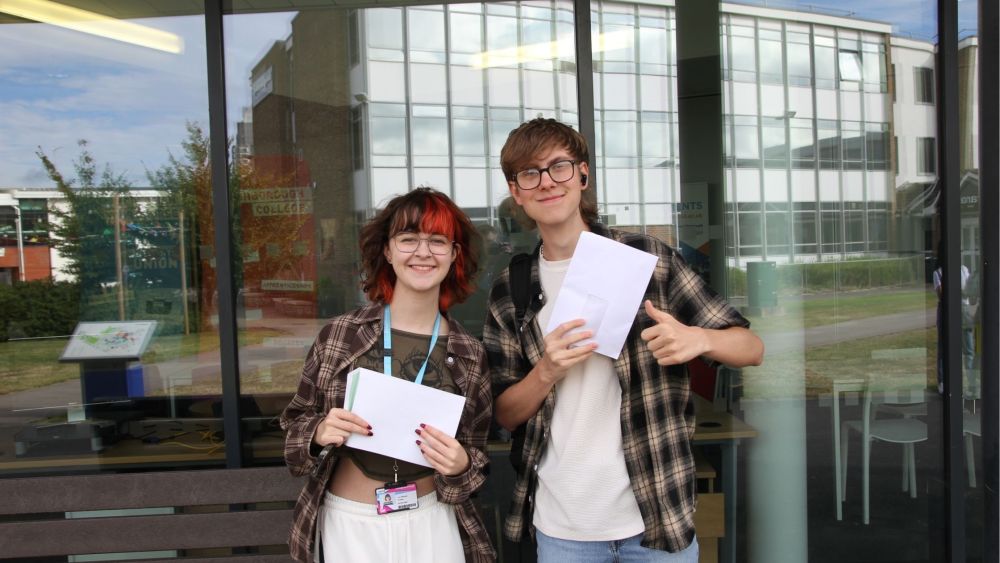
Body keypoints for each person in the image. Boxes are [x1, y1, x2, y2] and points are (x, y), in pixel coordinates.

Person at [483, 118, 764, 562]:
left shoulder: (646, 258)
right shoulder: (511, 288)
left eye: (559, 166)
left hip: (657, 515)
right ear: (516, 191)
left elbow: (751, 348)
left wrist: (698, 339)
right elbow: (505, 413)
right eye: (529, 174)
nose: (547, 183)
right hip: (563, 527)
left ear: (582, 174)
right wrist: (546, 371)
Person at [281, 188, 495, 563]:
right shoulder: (342, 335)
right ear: (388, 250)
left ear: (454, 254)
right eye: (409, 239)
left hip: (432, 522)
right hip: (350, 524)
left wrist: (462, 464)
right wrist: (317, 432)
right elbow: (294, 427)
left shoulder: (469, 353)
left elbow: (477, 456)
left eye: (437, 241)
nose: (423, 252)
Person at [933, 262, 975, 394]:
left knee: (969, 349)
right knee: (943, 348)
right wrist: (960, 291)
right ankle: (942, 381)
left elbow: (969, 293)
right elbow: (942, 295)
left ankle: (971, 383)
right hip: (946, 310)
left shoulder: (964, 269)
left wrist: (957, 291)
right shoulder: (938, 272)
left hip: (963, 311)